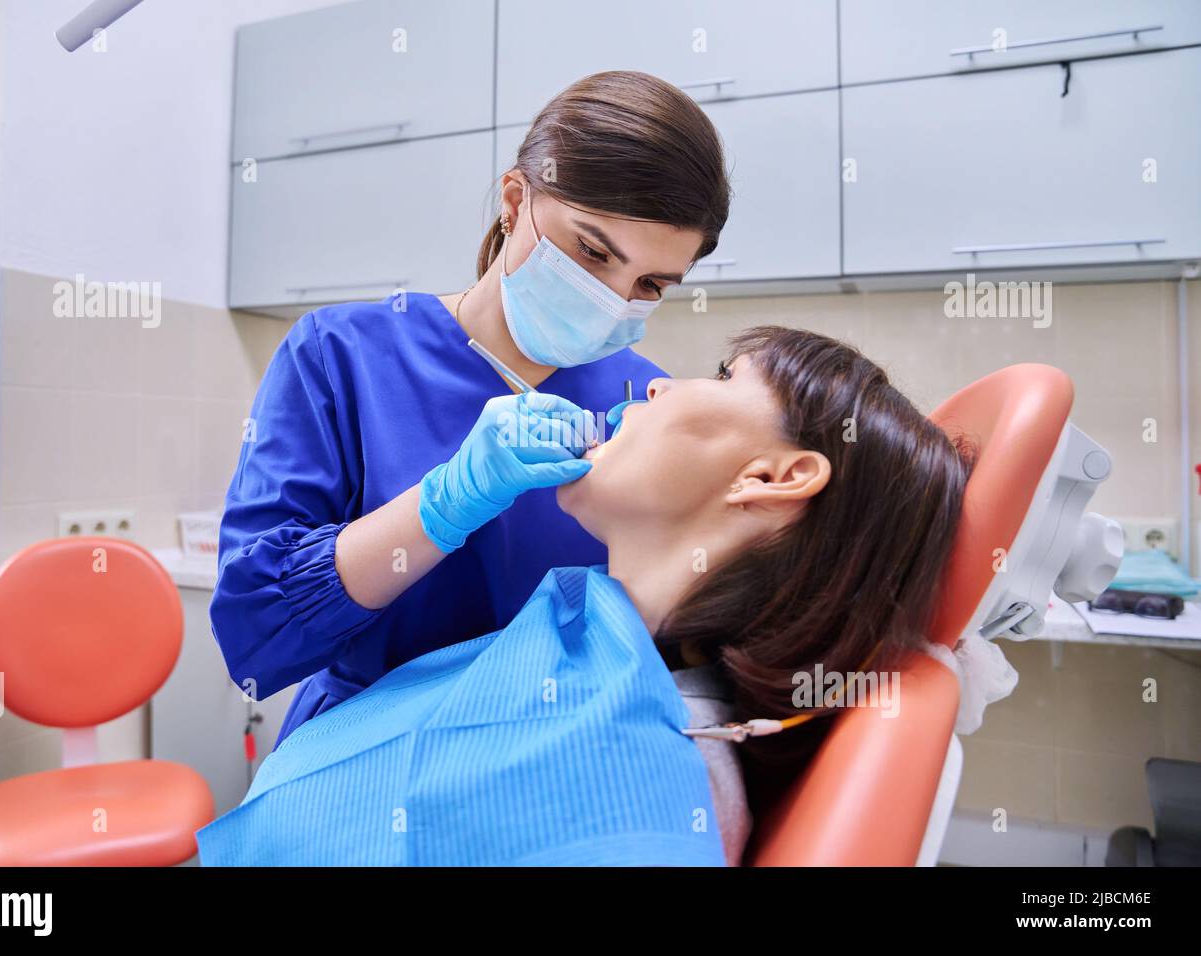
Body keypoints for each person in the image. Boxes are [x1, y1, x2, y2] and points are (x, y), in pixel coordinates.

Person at [196, 327, 973, 866]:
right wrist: (444, 501)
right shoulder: (587, 636)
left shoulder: (645, 788)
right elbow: (258, 633)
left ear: (773, 478)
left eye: (727, 377)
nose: (659, 381)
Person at [209, 72, 731, 745]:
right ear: (516, 200)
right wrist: (445, 503)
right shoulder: (341, 355)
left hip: (542, 766)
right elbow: (256, 635)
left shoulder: (645, 403)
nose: (613, 296)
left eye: (651, 284)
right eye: (592, 251)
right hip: (357, 759)